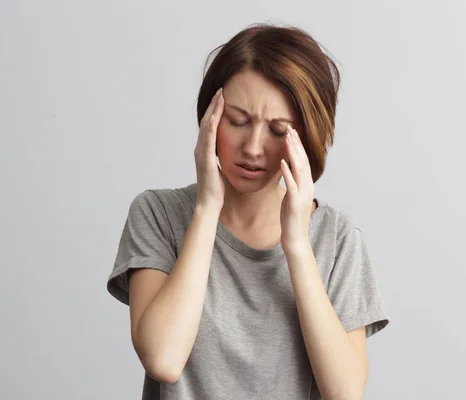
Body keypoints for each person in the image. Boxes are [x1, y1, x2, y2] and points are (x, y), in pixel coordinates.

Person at [106, 23, 390, 400]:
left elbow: (345, 392)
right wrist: (207, 209)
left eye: (277, 130)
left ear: (306, 137)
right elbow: (163, 358)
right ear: (210, 116)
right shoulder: (158, 214)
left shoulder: (337, 240)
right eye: (237, 121)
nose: (253, 148)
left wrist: (298, 246)